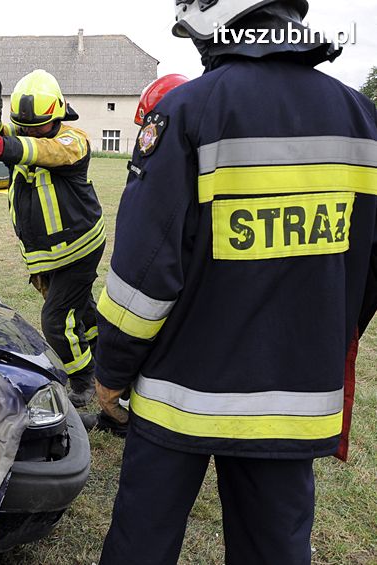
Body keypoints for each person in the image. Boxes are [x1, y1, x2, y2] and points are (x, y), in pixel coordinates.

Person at [94, 0, 377, 563]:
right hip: (293, 399)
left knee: (140, 546)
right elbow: (365, 268)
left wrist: (111, 371)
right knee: (275, 550)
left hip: (180, 396)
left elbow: (145, 274)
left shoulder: (188, 111)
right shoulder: (360, 119)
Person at [0, 69, 106, 409]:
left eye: (37, 126)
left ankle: (83, 381)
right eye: (24, 125)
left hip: (78, 247)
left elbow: (35, 150)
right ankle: (108, 361)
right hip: (47, 252)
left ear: (58, 113)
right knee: (82, 312)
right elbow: (5, 136)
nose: (29, 131)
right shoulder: (29, 131)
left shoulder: (73, 141)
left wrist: (1, 144)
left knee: (56, 320)